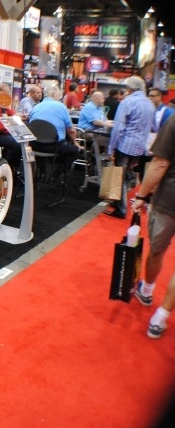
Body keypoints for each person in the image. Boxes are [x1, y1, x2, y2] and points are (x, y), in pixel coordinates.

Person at [130, 113, 175, 339]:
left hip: (168, 200)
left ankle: (147, 291)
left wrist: (141, 195)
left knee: (157, 250)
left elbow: (160, 163)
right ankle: (160, 319)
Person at [105, 76, 155, 219]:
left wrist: (111, 148)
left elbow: (118, 128)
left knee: (119, 176)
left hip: (125, 144)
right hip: (140, 146)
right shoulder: (149, 104)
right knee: (127, 175)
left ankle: (121, 209)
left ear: (130, 88)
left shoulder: (128, 102)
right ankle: (119, 202)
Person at [28, 85, 81, 182]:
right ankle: (56, 175)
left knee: (41, 139)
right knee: (74, 150)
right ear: (53, 94)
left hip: (34, 145)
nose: (60, 97)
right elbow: (71, 130)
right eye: (59, 95)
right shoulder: (61, 107)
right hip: (54, 146)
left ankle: (42, 172)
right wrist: (75, 142)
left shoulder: (36, 107)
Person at [138, 88, 175, 181]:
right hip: (144, 147)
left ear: (159, 97)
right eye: (149, 96)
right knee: (142, 173)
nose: (150, 98)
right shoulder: (148, 110)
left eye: (152, 96)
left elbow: (167, 133)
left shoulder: (167, 112)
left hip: (158, 149)